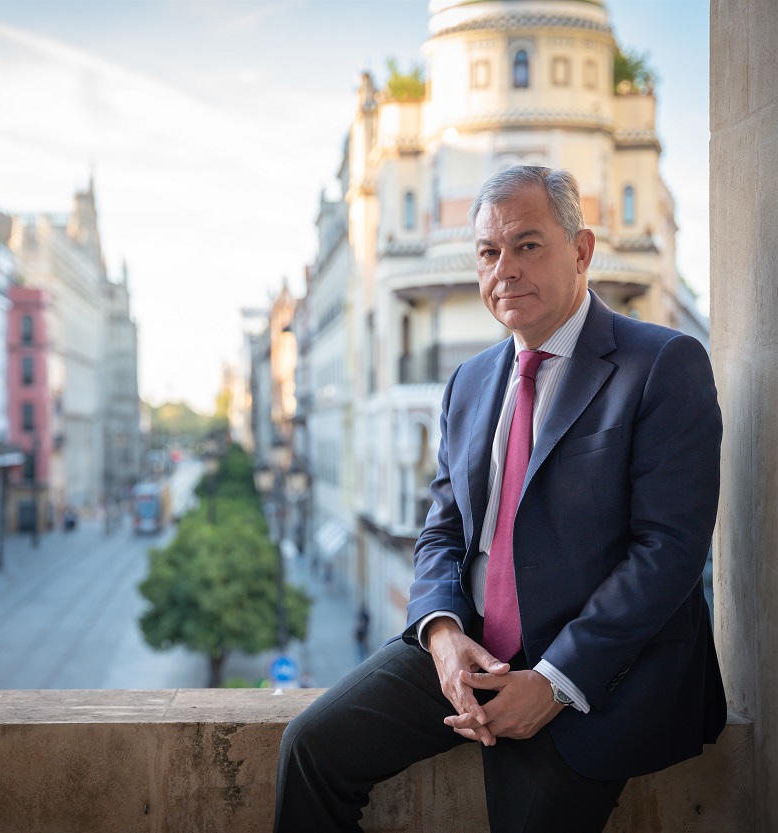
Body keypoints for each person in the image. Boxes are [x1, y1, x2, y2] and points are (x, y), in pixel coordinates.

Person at [275, 166, 726, 833]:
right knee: (309, 748)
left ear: (581, 250)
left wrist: (553, 681)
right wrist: (442, 631)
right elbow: (441, 532)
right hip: (473, 646)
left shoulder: (662, 362)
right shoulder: (469, 382)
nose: (504, 269)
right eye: (489, 252)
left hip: (592, 674)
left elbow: (669, 552)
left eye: (527, 244)